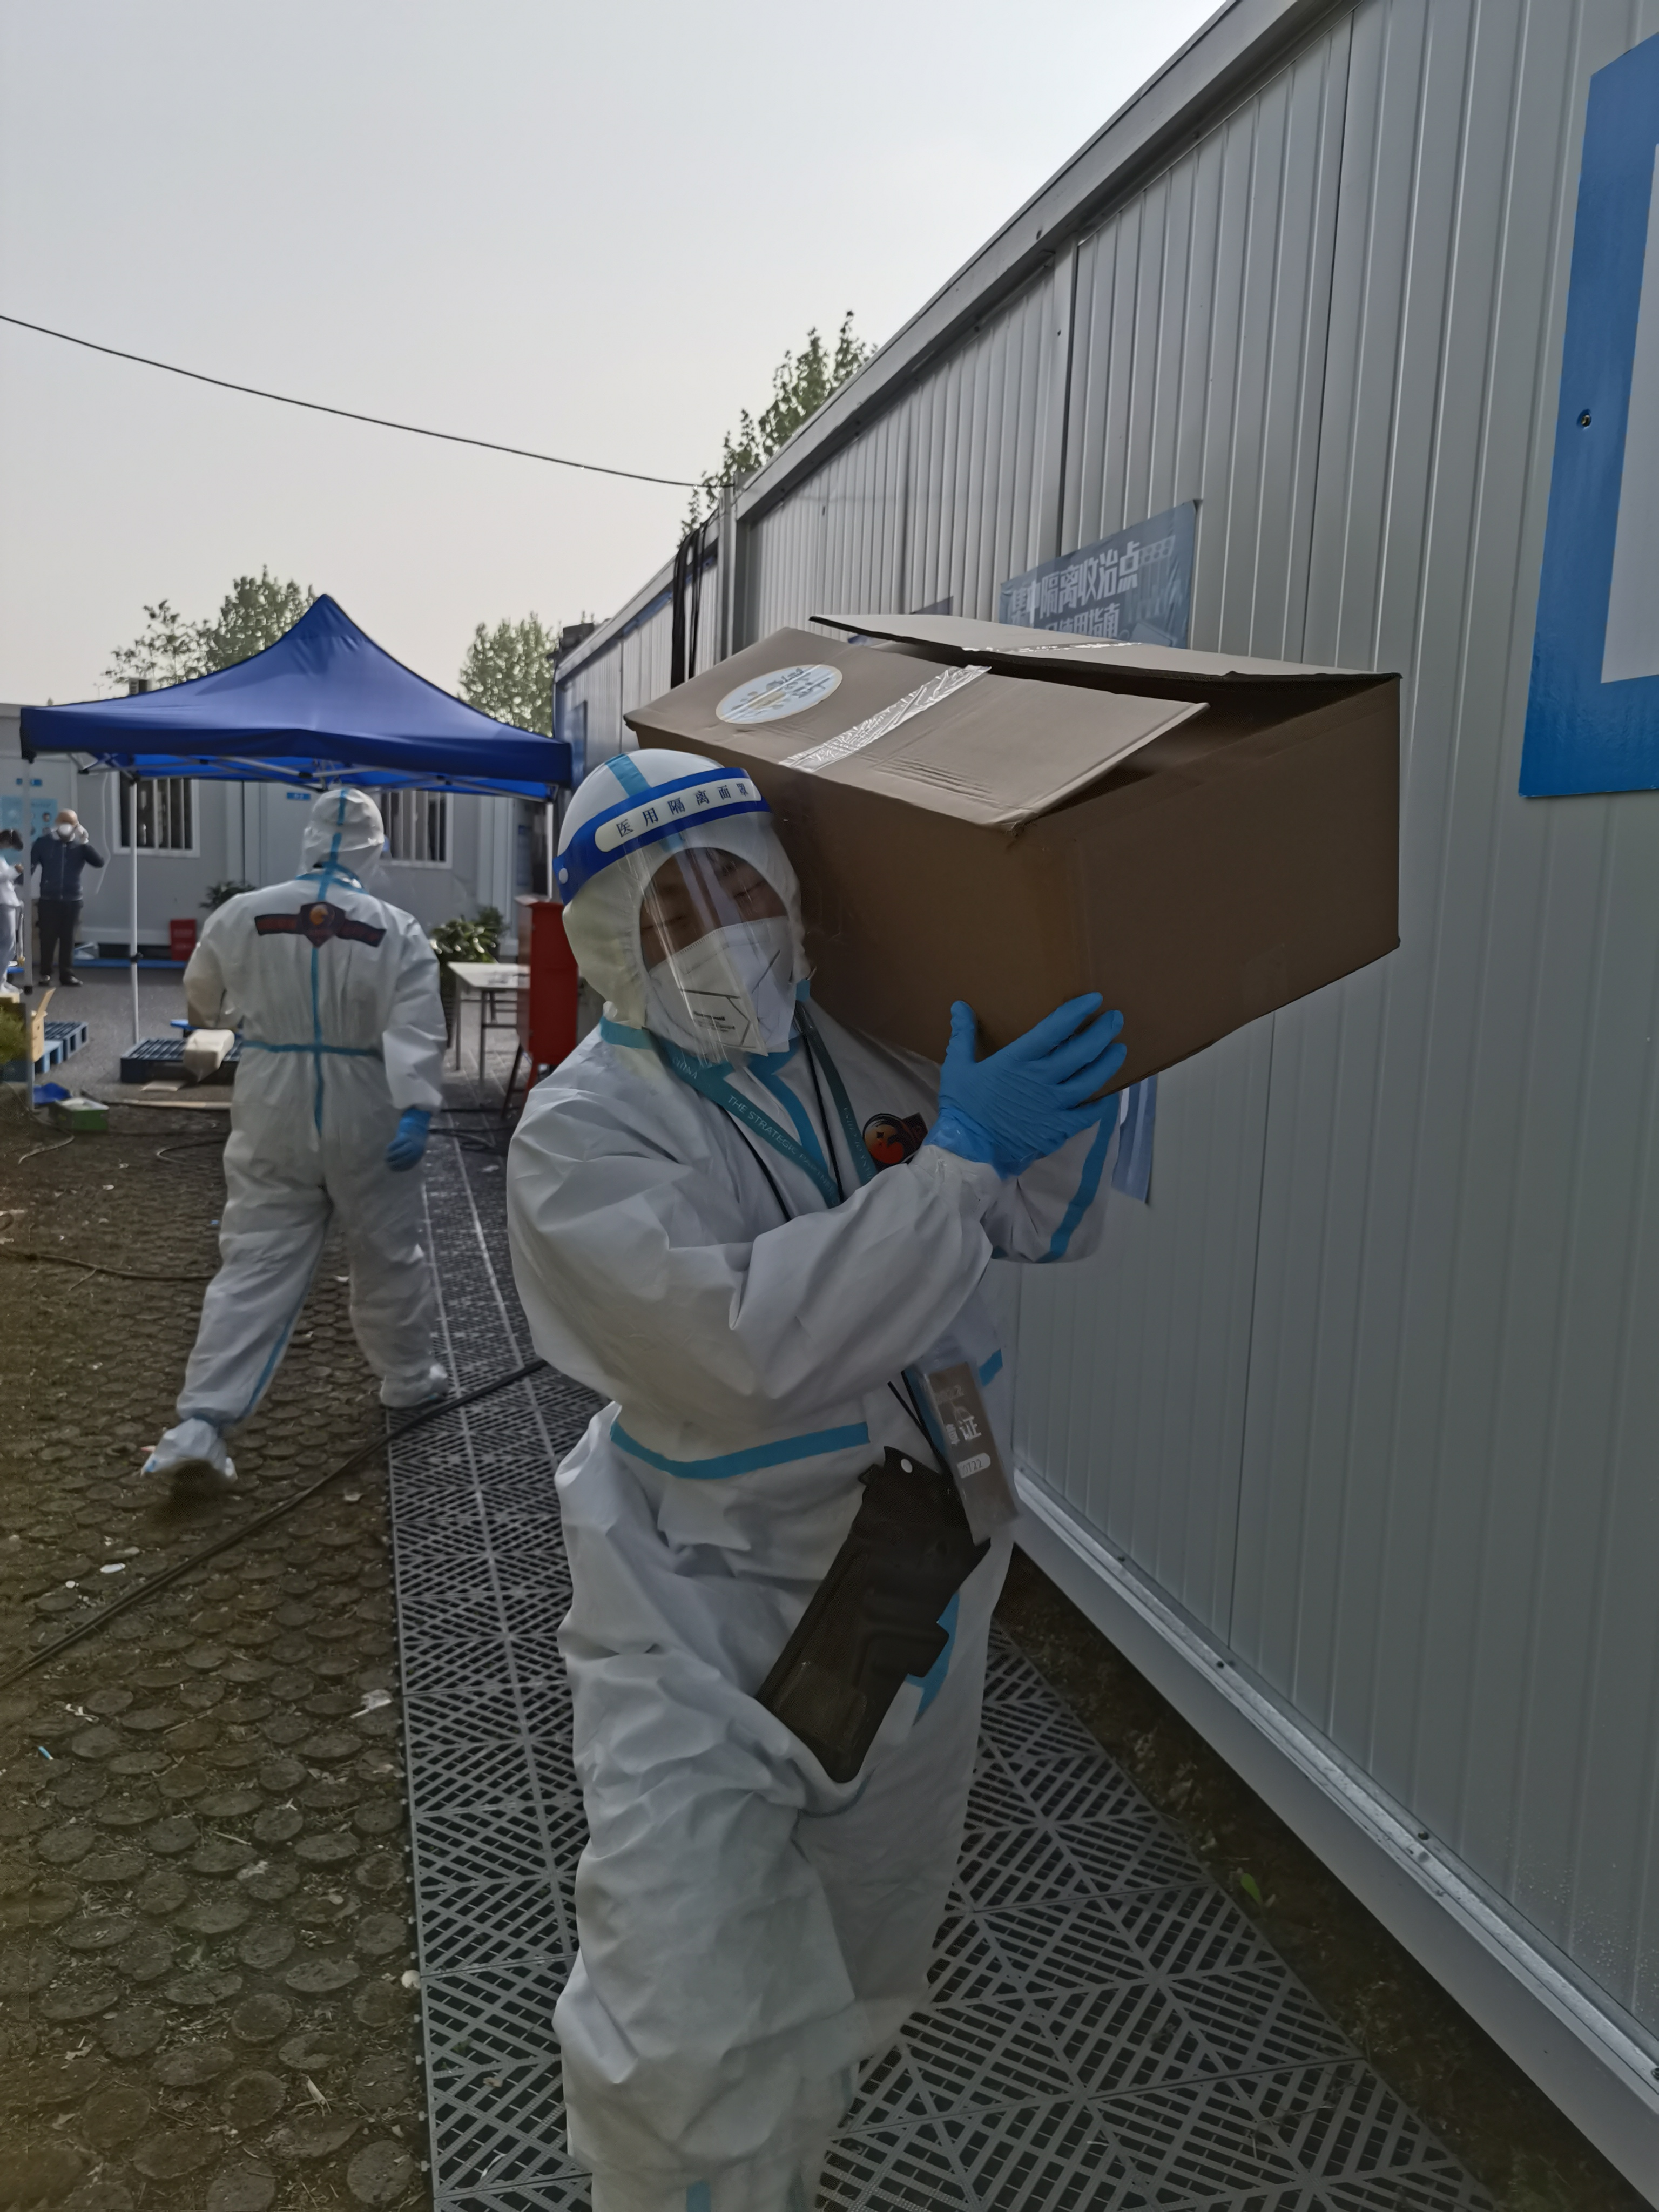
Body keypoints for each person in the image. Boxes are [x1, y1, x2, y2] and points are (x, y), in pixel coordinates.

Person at [506, 748, 1128, 2212]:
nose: (713, 933)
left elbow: (1048, 1218)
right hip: (700, 1615)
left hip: (917, 1598)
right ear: (608, 943)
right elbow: (737, 1350)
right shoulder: (586, 1134)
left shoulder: (876, 1053)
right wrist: (952, 1169)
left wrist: (1076, 1054)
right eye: (666, 913)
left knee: (858, 1963)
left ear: (789, 890)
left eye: (734, 886)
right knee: (679, 2013)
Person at [143, 787, 448, 1491]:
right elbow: (416, 1028)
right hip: (369, 1105)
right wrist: (416, 1110)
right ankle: (408, 1378)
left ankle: (200, 1425)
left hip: (272, 1098)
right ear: (375, 850)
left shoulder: (241, 914)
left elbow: (203, 1000)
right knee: (386, 1252)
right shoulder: (395, 928)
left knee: (255, 1260)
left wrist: (248, 1016)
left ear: (309, 841)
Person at [29, 807, 105, 985]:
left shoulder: (80, 846)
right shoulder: (44, 842)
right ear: (57, 823)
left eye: (70, 823)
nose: (66, 826)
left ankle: (67, 974)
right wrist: (18, 883)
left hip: (73, 899)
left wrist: (85, 842)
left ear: (77, 825)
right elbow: (30, 865)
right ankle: (45, 973)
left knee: (68, 938)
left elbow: (99, 862)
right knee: (47, 938)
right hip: (49, 899)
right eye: (63, 822)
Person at [0, 830, 23, 985]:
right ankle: (0, 982)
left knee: (8, 944)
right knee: (7, 944)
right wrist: (14, 871)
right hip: (3, 903)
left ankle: (2, 981)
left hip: (6, 901)